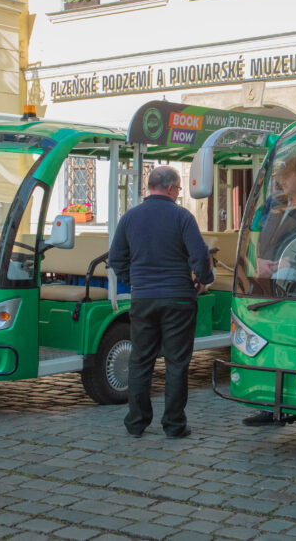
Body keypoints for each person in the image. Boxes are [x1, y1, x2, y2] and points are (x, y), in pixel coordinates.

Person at [109, 166, 214, 439]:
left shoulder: (130, 218)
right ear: (170, 189)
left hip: (143, 298)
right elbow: (200, 256)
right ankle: (174, 425)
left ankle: (136, 422)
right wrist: (203, 280)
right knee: (177, 363)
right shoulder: (182, 217)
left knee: (140, 360)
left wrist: (135, 281)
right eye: (178, 189)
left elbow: (116, 258)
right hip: (178, 298)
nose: (178, 194)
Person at [244, 157, 296, 427]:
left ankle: (291, 403)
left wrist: (280, 265)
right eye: (279, 177)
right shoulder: (275, 205)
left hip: (294, 288)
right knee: (269, 343)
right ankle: (270, 403)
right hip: (265, 283)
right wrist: (258, 263)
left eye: (286, 176)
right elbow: (262, 241)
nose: (280, 181)